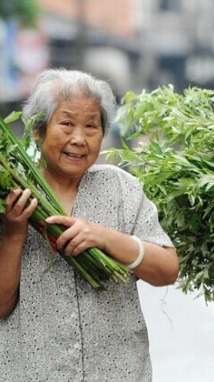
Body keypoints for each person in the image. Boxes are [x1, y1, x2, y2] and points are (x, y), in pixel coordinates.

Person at [0, 68, 180, 381]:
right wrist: (15, 233)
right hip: (31, 371)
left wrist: (105, 238)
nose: (79, 139)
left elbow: (167, 269)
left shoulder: (122, 189)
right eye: (67, 123)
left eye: (91, 126)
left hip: (118, 372)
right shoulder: (12, 194)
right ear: (38, 131)